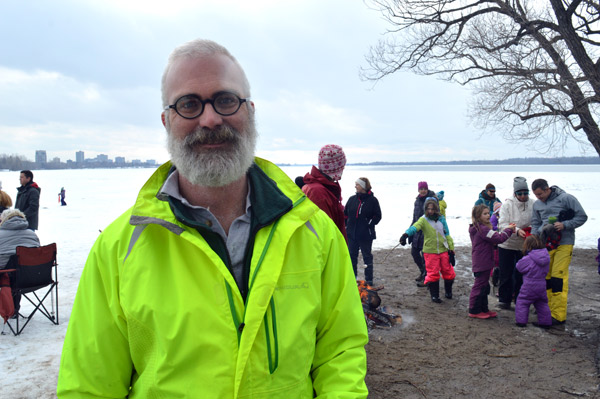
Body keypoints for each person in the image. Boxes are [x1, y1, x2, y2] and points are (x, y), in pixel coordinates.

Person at [57, 39, 368, 398]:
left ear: (249, 110)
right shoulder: (119, 249)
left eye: (225, 100)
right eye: (189, 104)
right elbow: (88, 386)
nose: (209, 119)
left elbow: (340, 352)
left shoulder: (313, 231)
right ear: (166, 120)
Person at [531, 178, 587, 325]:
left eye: (540, 194)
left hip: (564, 243)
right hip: (546, 244)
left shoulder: (566, 198)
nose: (538, 197)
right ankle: (546, 310)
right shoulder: (536, 204)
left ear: (547, 189)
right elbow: (535, 222)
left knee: (558, 277)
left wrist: (565, 225)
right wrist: (537, 235)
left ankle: (558, 315)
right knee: (546, 277)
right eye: (536, 195)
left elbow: (582, 216)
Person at [400, 197, 456, 303]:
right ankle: (434, 296)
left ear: (436, 208)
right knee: (433, 273)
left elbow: (447, 234)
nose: (430, 211)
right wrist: (406, 234)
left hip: (444, 250)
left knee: (448, 271)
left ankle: (448, 292)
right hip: (430, 252)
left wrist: (451, 250)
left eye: (432, 208)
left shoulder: (442, 219)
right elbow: (415, 227)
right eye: (428, 209)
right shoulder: (423, 219)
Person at [469, 204, 516, 319]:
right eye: (484, 214)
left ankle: (483, 308)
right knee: (479, 286)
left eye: (488, 213)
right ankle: (474, 310)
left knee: (485, 286)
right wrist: (509, 230)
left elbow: (493, 239)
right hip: (482, 262)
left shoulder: (479, 228)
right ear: (478, 216)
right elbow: (498, 238)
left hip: (484, 260)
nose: (488, 215)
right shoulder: (482, 229)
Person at [496, 177, 536, 310]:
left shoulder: (533, 204)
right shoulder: (507, 204)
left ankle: (519, 299)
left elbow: (536, 221)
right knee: (505, 273)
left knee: (522, 274)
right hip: (507, 243)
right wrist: (517, 230)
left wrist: (530, 230)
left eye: (526, 193)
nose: (523, 196)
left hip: (524, 244)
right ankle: (504, 300)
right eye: (520, 193)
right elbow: (502, 224)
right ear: (515, 194)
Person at [301, 144, 347, 239]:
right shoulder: (318, 192)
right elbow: (325, 231)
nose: (344, 168)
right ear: (336, 167)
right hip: (328, 250)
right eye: (342, 165)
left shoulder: (319, 187)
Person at [344, 177, 382, 285]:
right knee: (351, 257)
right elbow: (345, 214)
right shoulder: (352, 199)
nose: (355, 186)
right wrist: (346, 226)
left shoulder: (373, 200)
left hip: (366, 235)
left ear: (364, 187)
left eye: (357, 184)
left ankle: (369, 280)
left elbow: (378, 216)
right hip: (351, 234)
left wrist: (369, 224)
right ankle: (352, 279)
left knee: (367, 257)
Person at [515, 235, 552, 329]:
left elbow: (519, 267)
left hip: (529, 285)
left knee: (523, 302)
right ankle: (545, 322)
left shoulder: (528, 258)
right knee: (542, 303)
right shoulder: (546, 257)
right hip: (542, 285)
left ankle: (521, 321)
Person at [404, 181, 437, 286]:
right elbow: (415, 217)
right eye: (421, 189)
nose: (423, 191)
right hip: (417, 231)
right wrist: (410, 232)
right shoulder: (417, 201)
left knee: (425, 256)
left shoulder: (432, 200)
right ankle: (423, 271)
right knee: (414, 253)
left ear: (427, 189)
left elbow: (436, 216)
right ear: (418, 190)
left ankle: (426, 277)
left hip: (427, 232)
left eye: (424, 189)